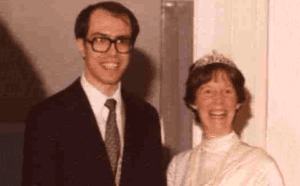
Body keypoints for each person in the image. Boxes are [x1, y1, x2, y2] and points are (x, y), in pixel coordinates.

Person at [22, 2, 163, 186]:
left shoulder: (147, 117)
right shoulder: (47, 117)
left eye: (122, 41)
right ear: (82, 45)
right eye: (101, 40)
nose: (112, 52)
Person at [167, 51, 285, 186]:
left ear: (238, 102)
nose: (218, 101)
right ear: (193, 102)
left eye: (227, 92)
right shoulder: (179, 165)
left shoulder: (259, 164)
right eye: (208, 92)